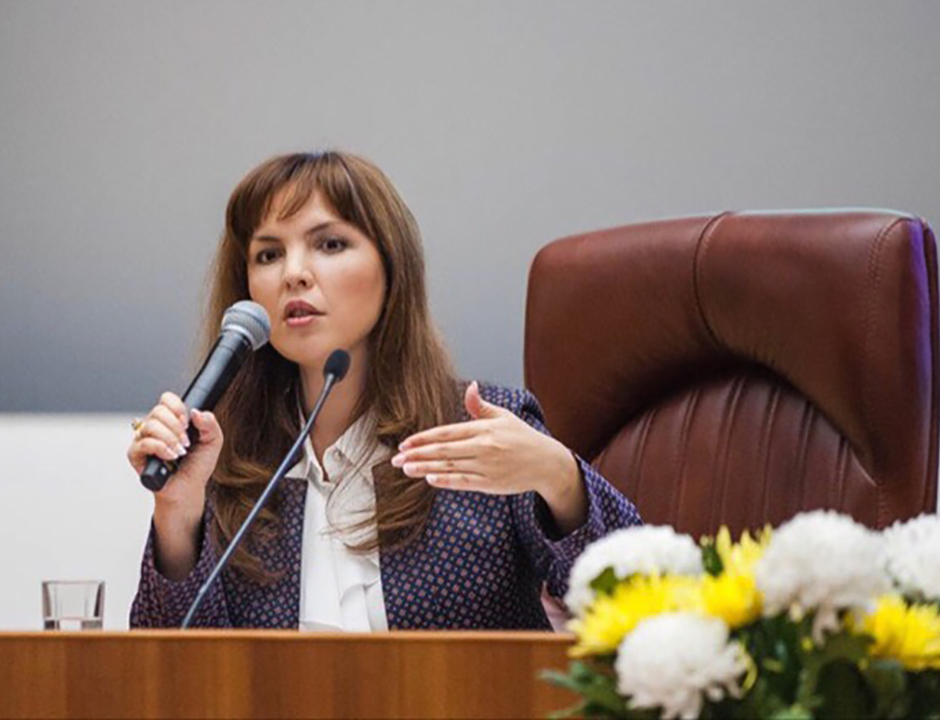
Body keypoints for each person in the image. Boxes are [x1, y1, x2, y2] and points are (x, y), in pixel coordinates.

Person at [128, 151, 640, 630]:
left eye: (330, 244)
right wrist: (178, 513)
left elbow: (642, 605)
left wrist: (559, 479)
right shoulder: (224, 460)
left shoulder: (482, 430)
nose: (294, 274)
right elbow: (173, 676)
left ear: (391, 269)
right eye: (268, 254)